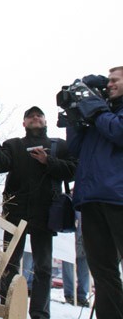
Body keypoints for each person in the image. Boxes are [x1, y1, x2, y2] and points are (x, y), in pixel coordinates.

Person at [0, 106, 77, 319]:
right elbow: (1, 163)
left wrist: (48, 160)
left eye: (38, 116)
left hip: (46, 213)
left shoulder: (59, 145)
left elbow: (73, 170)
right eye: (30, 116)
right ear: (24, 123)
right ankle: (7, 309)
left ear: (45, 121)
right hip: (16, 211)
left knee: (43, 268)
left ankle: (40, 314)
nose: (34, 118)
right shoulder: (13, 145)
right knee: (10, 263)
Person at [66, 67, 123, 318]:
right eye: (107, 81)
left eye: (115, 80)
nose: (109, 84)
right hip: (90, 198)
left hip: (118, 198)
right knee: (103, 271)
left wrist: (96, 107)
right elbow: (74, 148)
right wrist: (75, 116)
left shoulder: (105, 113)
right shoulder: (99, 115)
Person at [61, 211, 90, 307]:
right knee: (68, 264)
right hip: (70, 238)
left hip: (84, 238)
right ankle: (70, 294)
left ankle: (82, 295)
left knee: (84, 264)